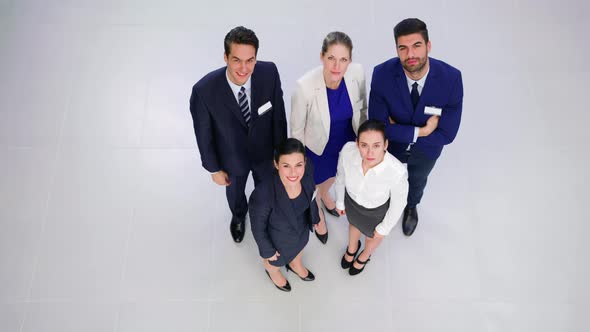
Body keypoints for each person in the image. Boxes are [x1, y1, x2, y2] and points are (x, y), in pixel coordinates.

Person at [189, 26, 287, 243]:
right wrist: (214, 169)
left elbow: (278, 117)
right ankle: (239, 216)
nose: (244, 68)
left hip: (265, 154)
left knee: (268, 189)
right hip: (231, 159)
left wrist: (281, 154)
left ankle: (266, 217)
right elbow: (203, 136)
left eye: (250, 60)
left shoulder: (269, 73)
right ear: (225, 57)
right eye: (236, 60)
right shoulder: (204, 91)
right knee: (235, 194)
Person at [368, 18, 463, 236]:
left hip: (427, 151)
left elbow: (447, 133)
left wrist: (397, 128)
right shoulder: (381, 75)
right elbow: (377, 128)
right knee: (387, 177)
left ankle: (410, 206)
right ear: (397, 50)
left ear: (428, 46)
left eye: (417, 46)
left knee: (418, 180)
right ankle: (387, 203)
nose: (410, 55)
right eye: (403, 48)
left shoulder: (451, 79)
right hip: (391, 148)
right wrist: (422, 131)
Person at [290, 31, 367, 244]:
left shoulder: (357, 73)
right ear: (322, 56)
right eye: (331, 58)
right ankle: (317, 211)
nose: (337, 66)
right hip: (317, 148)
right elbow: (296, 131)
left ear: (350, 61)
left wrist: (363, 144)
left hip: (346, 142)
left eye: (343, 59)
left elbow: (362, 110)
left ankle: (325, 194)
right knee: (313, 182)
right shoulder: (304, 87)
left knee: (335, 174)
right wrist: (299, 161)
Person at [335, 120, 408, 275]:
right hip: (352, 203)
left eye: (376, 145)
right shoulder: (348, 151)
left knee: (372, 237)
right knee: (353, 225)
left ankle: (364, 255)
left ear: (385, 145)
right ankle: (352, 248)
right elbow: (340, 176)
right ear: (357, 144)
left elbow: (398, 203)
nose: (369, 153)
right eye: (364, 145)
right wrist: (340, 202)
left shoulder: (397, 171)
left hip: (376, 212)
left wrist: (384, 228)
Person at [249, 138, 320, 292]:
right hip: (277, 241)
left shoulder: (307, 173)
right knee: (273, 264)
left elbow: (312, 196)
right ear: (276, 164)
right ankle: (273, 273)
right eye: (286, 166)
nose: (294, 173)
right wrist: (268, 251)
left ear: (305, 163)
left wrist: (315, 218)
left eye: (298, 165)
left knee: (300, 247)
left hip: (301, 231)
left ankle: (295, 264)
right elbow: (258, 228)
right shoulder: (263, 194)